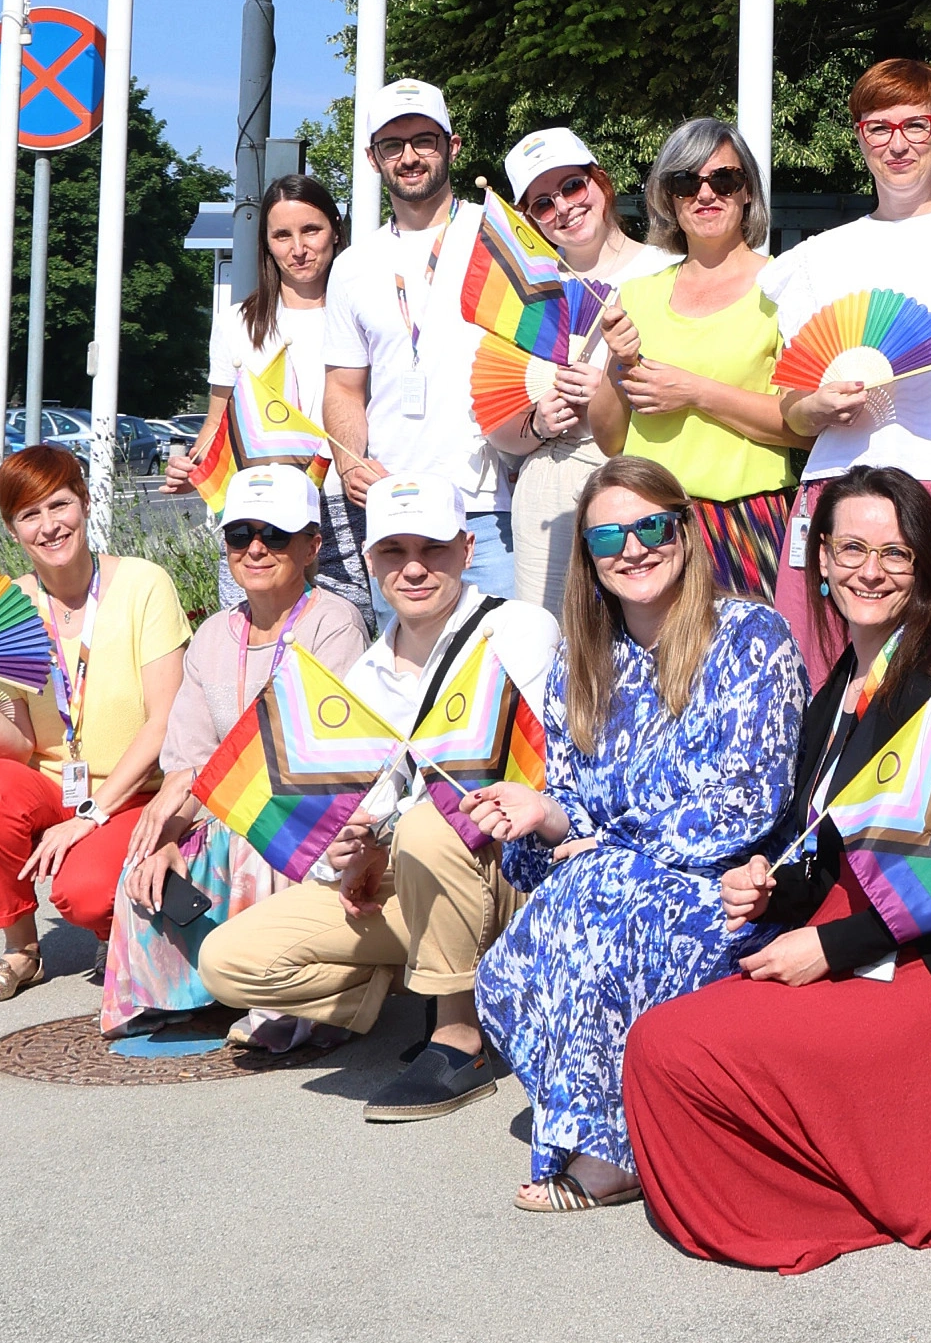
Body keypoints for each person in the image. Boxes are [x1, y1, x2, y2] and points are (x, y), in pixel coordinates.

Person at [622, 464, 931, 1270]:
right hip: (847, 940)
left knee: (671, 1046)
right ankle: (824, 1189)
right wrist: (767, 883)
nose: (870, 571)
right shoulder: (834, 691)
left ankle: (831, 1201)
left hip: (922, 966)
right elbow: (817, 846)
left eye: (895, 554)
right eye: (851, 549)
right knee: (663, 1030)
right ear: (821, 558)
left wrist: (827, 948)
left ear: (924, 568)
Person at [469, 456, 804, 1210]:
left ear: (684, 532)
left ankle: (610, 1148)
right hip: (614, 881)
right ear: (587, 557)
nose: (633, 549)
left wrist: (617, 849)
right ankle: (603, 1117)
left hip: (733, 888)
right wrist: (544, 815)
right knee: (504, 973)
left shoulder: (752, 636)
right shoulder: (580, 663)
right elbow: (569, 816)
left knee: (601, 898)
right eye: (607, 537)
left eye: (651, 527)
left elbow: (749, 798)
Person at [197, 472, 559, 1116]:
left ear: (467, 549)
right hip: (418, 872)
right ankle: (440, 975)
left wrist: (387, 829)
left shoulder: (518, 628)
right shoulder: (365, 674)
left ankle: (458, 1035)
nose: (413, 568)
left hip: (513, 866)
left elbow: (500, 780)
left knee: (425, 828)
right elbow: (364, 806)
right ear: (369, 560)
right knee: (228, 961)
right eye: (394, 551)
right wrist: (351, 846)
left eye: (433, 549)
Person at [763, 58, 931, 659]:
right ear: (860, 138)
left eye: (915, 125)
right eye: (879, 128)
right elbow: (792, 408)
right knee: (818, 677)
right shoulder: (821, 257)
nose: (898, 144)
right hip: (832, 491)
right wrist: (818, 407)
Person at [100, 462, 368, 1041]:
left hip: (306, 811)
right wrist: (166, 834)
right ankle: (174, 993)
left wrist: (202, 786)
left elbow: (316, 756)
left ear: (312, 546)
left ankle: (290, 1004)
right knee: (149, 847)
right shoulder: (214, 634)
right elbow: (186, 755)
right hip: (229, 800)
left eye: (276, 535)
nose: (256, 548)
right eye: (240, 534)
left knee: (255, 839)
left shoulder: (335, 624)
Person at [0, 443, 190, 1005]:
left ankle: (117, 925)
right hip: (56, 788)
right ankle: (21, 949)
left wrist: (91, 816)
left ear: (86, 502)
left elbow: (165, 721)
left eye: (59, 505)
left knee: (86, 894)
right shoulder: (8, 608)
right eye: (29, 514)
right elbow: (15, 747)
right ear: (11, 528)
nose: (49, 526)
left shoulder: (143, 584)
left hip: (133, 793)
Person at [320, 81, 555, 595]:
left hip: (491, 506)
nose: (408, 157)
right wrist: (348, 458)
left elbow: (548, 350)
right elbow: (342, 386)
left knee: (501, 644)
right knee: (408, 649)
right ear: (373, 158)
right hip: (393, 505)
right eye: (392, 145)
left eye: (423, 140)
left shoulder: (502, 234)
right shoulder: (353, 266)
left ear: (453, 146)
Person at [589, 121, 802, 599]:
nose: (705, 194)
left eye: (723, 179)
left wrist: (695, 392)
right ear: (668, 198)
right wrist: (617, 367)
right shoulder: (637, 295)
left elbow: (802, 428)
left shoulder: (785, 288)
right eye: (686, 182)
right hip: (648, 528)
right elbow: (609, 439)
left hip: (744, 525)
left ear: (747, 191)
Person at [165, 171, 370, 615]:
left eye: (311, 230)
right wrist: (191, 468)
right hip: (255, 512)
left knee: (346, 635)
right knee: (253, 642)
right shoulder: (236, 323)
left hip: (345, 506)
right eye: (282, 235)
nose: (298, 249)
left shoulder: (367, 313)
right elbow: (219, 421)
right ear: (266, 243)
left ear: (336, 230)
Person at [498, 127, 673, 617]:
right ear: (529, 220)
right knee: (549, 638)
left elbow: (690, 385)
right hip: (548, 489)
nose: (564, 207)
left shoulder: (668, 270)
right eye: (542, 204)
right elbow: (497, 424)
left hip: (642, 479)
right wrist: (537, 422)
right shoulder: (527, 293)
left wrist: (610, 394)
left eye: (572, 186)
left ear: (601, 181)